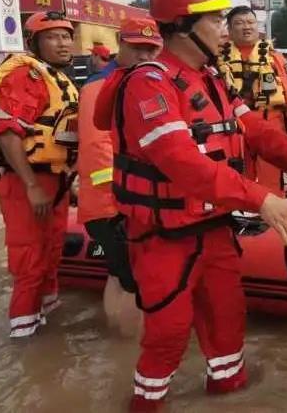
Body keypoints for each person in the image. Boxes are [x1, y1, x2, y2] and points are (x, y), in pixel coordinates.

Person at [93, 0, 287, 411]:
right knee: (168, 332)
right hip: (163, 237)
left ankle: (229, 395)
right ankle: (146, 404)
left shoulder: (211, 77)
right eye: (216, 19)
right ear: (182, 26)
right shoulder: (150, 85)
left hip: (213, 228)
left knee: (227, 321)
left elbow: (251, 128)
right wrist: (263, 199)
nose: (226, 28)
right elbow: (184, 164)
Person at [0, 11, 79, 338]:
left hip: (55, 180)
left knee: (51, 253)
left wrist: (67, 181)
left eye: (66, 36)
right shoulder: (26, 76)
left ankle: (47, 320)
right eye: (53, 37)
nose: (63, 43)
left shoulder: (58, 79)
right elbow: (7, 132)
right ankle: (24, 341)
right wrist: (32, 185)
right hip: (27, 182)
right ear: (35, 43)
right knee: (30, 259)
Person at [77, 17, 162, 336]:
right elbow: (98, 146)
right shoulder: (102, 85)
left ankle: (116, 339)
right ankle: (128, 348)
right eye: (137, 48)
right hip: (112, 203)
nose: (144, 56)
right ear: (120, 44)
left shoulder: (132, 81)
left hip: (116, 199)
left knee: (117, 273)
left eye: (151, 50)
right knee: (132, 280)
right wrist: (124, 202)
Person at [219, 5, 287, 196]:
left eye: (250, 22)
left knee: (272, 173)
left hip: (270, 121)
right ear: (230, 30)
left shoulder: (274, 58)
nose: (246, 27)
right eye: (239, 23)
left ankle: (273, 219)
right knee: (238, 171)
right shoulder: (218, 59)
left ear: (257, 27)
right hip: (234, 126)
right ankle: (242, 214)